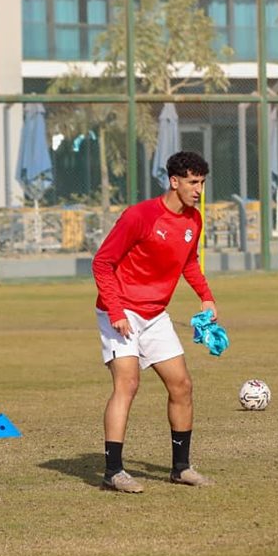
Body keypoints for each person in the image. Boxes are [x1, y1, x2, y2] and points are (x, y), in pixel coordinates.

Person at [92, 150, 217, 493]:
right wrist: (116, 312)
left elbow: (188, 262)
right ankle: (113, 472)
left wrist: (206, 296)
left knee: (182, 385)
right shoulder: (140, 216)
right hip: (120, 310)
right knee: (128, 384)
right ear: (174, 181)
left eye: (202, 183)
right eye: (193, 182)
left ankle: (181, 468)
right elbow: (102, 263)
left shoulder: (193, 220)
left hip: (154, 313)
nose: (199, 190)